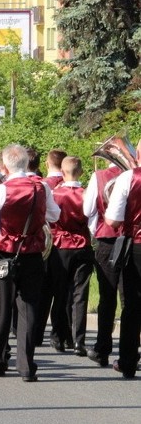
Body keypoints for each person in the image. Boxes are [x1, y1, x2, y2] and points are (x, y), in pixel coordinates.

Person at [0, 144, 60, 382]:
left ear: (4, 166)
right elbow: (55, 216)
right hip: (34, 254)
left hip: (5, 254)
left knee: (3, 307)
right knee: (28, 307)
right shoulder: (42, 187)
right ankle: (26, 366)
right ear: (26, 164)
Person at [48, 156, 95, 357]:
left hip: (60, 247)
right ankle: (79, 341)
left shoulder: (53, 193)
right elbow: (92, 222)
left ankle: (58, 336)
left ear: (62, 171)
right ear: (81, 172)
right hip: (83, 246)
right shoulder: (86, 194)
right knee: (80, 293)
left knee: (59, 291)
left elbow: (49, 219)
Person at [82, 155, 126, 366]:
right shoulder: (134, 176)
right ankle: (130, 352)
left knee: (107, 297)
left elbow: (87, 210)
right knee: (131, 297)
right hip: (132, 239)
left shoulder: (99, 176)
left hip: (107, 238)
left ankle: (103, 349)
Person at [103, 154, 141, 378]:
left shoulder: (128, 177)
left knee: (133, 303)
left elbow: (112, 220)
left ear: (137, 155)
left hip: (136, 245)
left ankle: (128, 361)